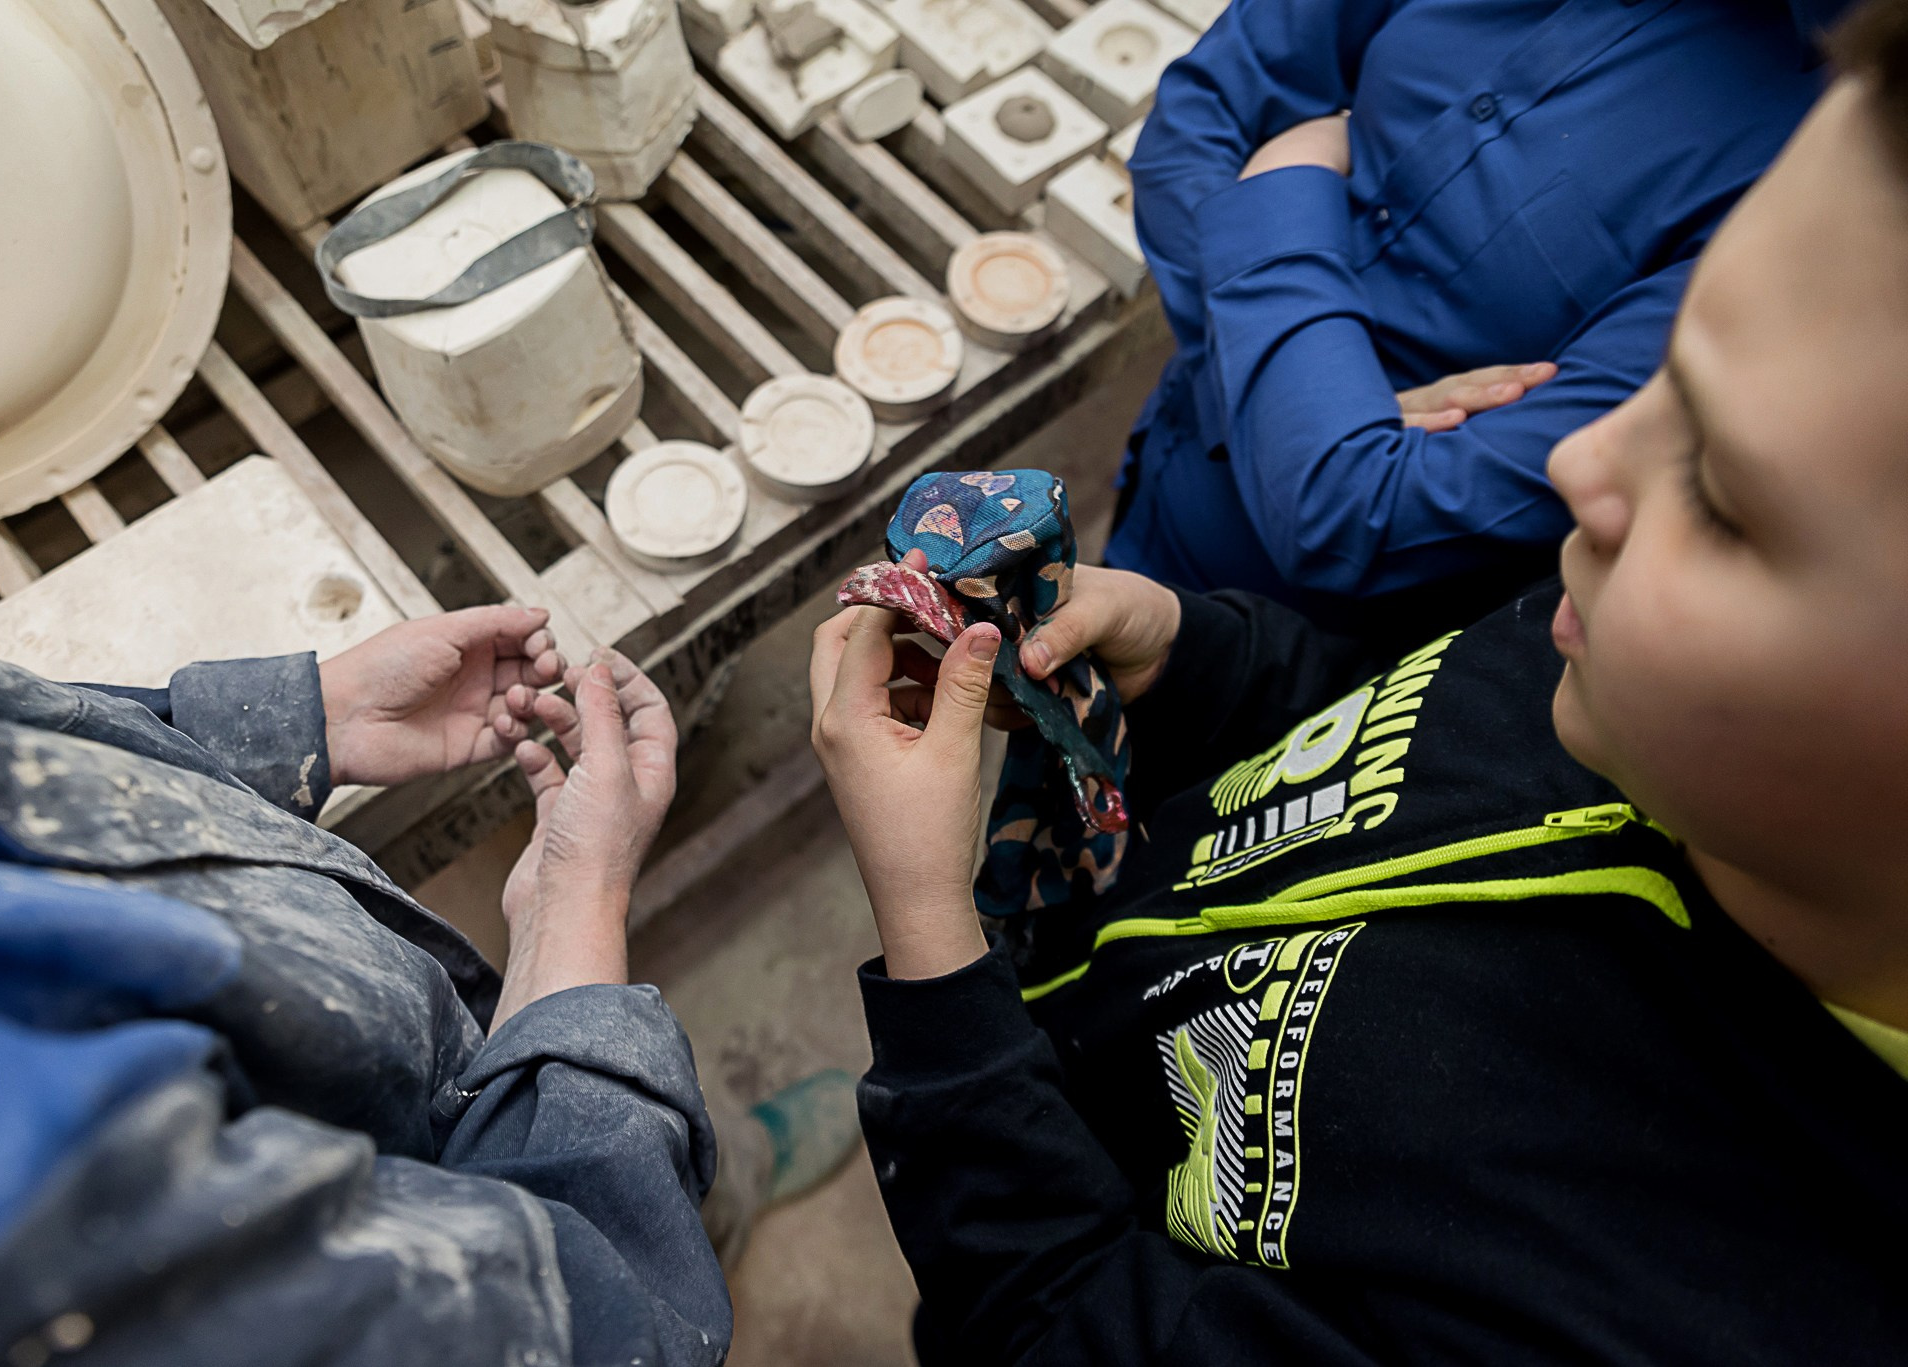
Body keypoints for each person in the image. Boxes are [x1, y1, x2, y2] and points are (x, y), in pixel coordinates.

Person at [809, 4, 1908, 1359]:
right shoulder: (1607, 658)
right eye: (1656, 384)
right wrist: (1200, 662)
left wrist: (930, 954)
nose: (1575, 464)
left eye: (1727, 497)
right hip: (1088, 1028)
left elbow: (1059, 1315)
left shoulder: (1656, 1307)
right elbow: (1400, 713)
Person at [0, 606, 837, 1365]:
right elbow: (605, 1331)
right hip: (497, 1205)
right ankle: (698, 1201)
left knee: (653, 1168)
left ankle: (699, 1189)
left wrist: (295, 720)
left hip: (403, 1065)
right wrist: (580, 897)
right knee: (649, 1204)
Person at [1107, 0, 1841, 645]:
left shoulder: (1822, 181)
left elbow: (1360, 518)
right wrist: (1304, 409)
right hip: (1155, 483)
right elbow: (1195, 122)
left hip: (1294, 673)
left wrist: (1283, 177)